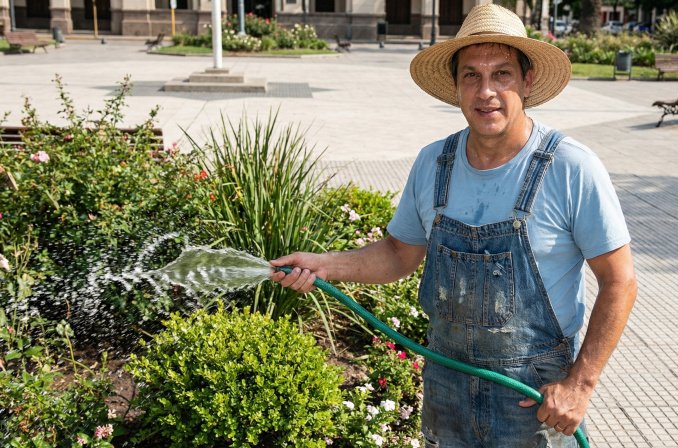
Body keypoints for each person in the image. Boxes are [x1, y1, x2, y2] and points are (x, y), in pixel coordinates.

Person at [271, 4, 637, 447]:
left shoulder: (570, 167)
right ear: (456, 87)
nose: (486, 92)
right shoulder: (433, 163)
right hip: (446, 387)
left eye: (502, 74)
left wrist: (580, 384)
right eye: (471, 76)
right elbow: (397, 254)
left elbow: (620, 282)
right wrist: (325, 265)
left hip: (532, 396)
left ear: (527, 81)